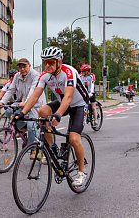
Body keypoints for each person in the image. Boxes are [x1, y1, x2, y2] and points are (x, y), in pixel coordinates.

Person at [15, 46, 90, 187]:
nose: (48, 65)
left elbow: (68, 97)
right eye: (45, 62)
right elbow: (34, 96)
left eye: (51, 62)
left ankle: (81, 171)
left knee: (74, 138)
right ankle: (53, 147)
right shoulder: (45, 75)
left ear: (59, 62)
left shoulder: (69, 72)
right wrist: (22, 113)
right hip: (63, 102)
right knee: (42, 112)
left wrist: (58, 115)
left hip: (78, 104)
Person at [0, 58, 46, 159]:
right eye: (20, 67)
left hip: (35, 104)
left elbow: (33, 91)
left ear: (29, 66)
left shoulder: (35, 75)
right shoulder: (17, 76)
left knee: (32, 126)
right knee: (9, 110)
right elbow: (11, 89)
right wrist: (2, 102)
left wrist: (26, 103)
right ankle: (22, 127)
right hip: (22, 102)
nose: (22, 69)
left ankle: (35, 150)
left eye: (24, 66)